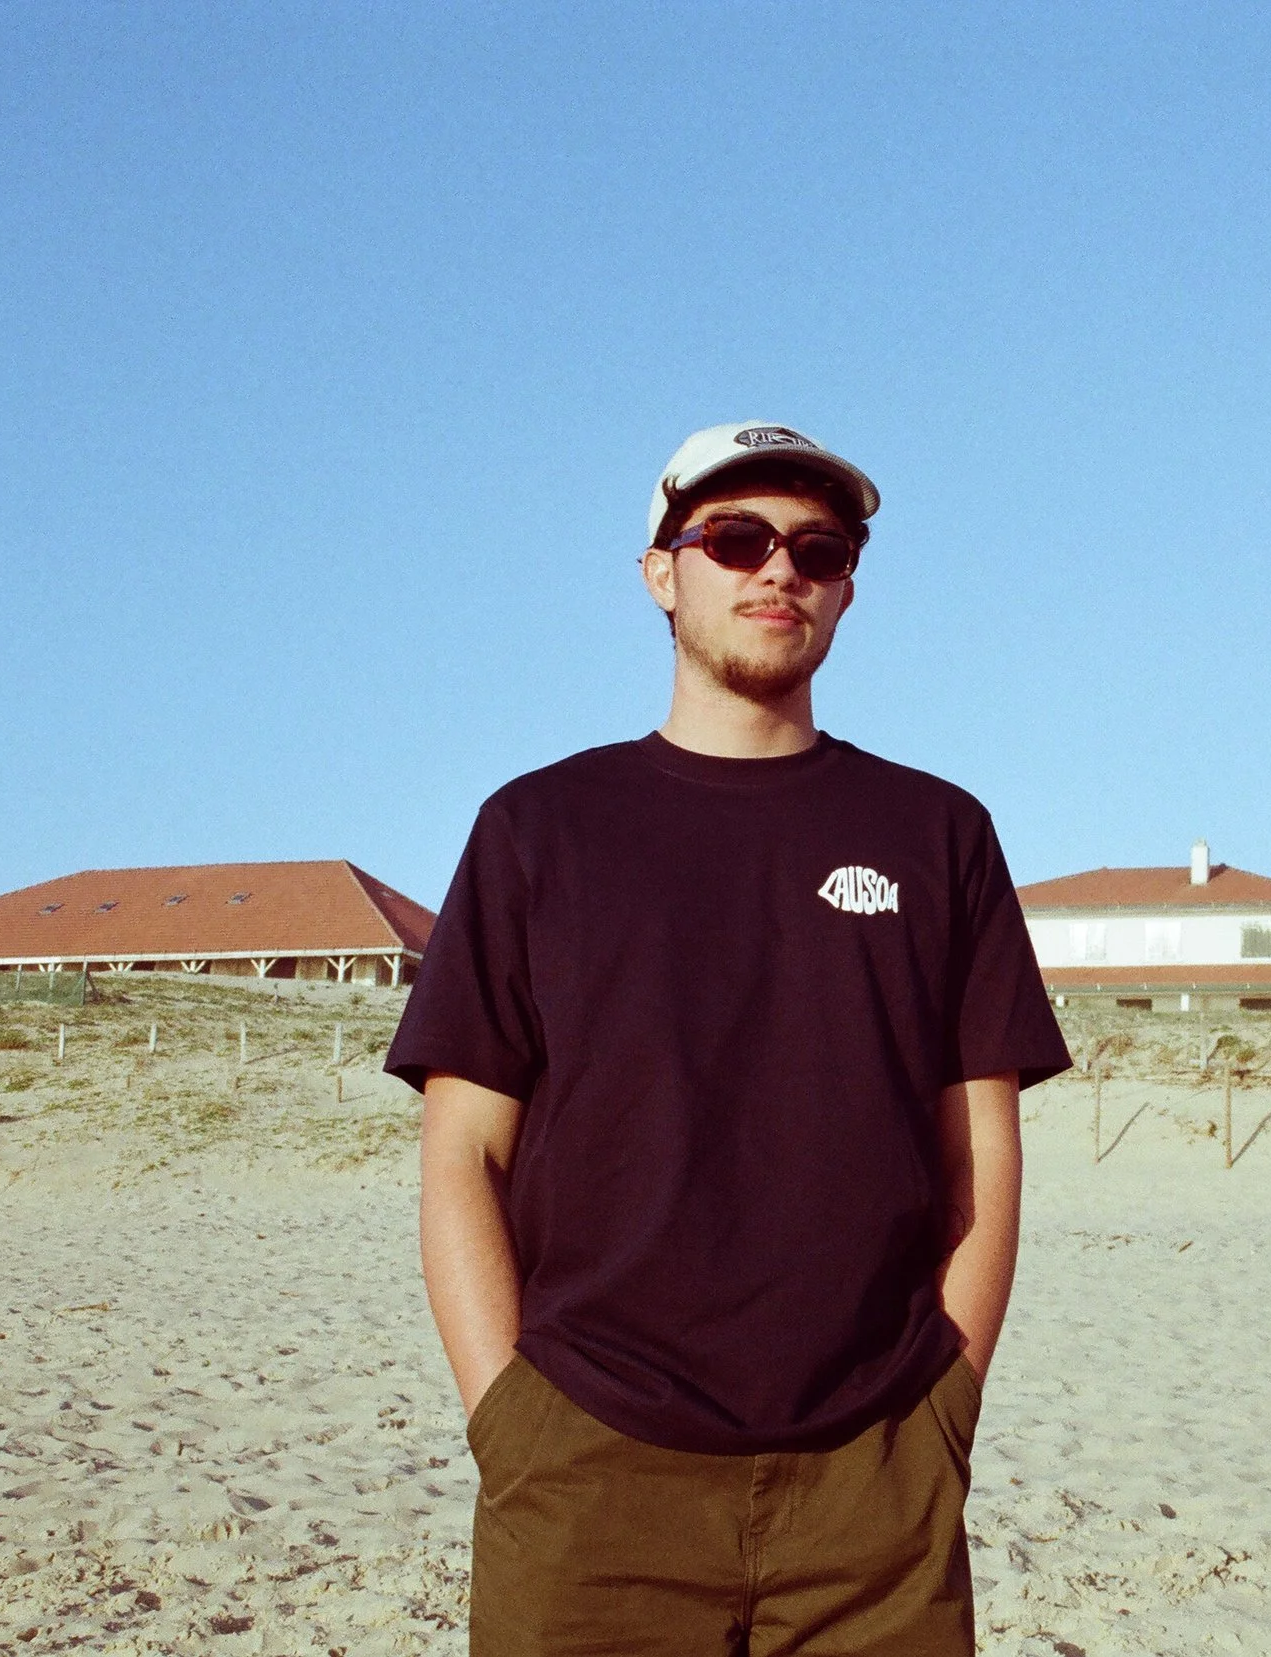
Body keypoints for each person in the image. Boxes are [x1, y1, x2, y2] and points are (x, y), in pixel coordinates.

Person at [389, 421, 1071, 1655]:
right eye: (736, 538)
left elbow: (981, 1155)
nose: (778, 572)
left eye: (818, 549)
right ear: (662, 572)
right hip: (587, 1472)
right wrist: (513, 1426)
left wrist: (943, 1411)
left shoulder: (937, 833)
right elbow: (461, 1156)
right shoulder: (539, 830)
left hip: (875, 1480)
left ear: (848, 587)